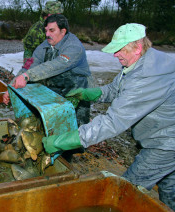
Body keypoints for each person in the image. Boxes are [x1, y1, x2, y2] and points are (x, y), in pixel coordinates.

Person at [42, 23, 175, 210]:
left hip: (166, 144)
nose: (115, 55)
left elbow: (112, 123)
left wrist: (62, 141)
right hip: (165, 135)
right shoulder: (145, 60)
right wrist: (90, 93)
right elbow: (115, 89)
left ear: (137, 47)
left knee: (126, 190)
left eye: (119, 50)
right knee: (169, 190)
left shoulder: (146, 76)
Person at [3, 14, 91, 126]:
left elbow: (54, 66)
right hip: (57, 86)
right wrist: (12, 87)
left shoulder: (74, 47)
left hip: (78, 88)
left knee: (77, 126)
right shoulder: (44, 45)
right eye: (46, 30)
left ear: (63, 31)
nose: (47, 34)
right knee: (51, 121)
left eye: (51, 30)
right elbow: (28, 65)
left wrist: (27, 76)